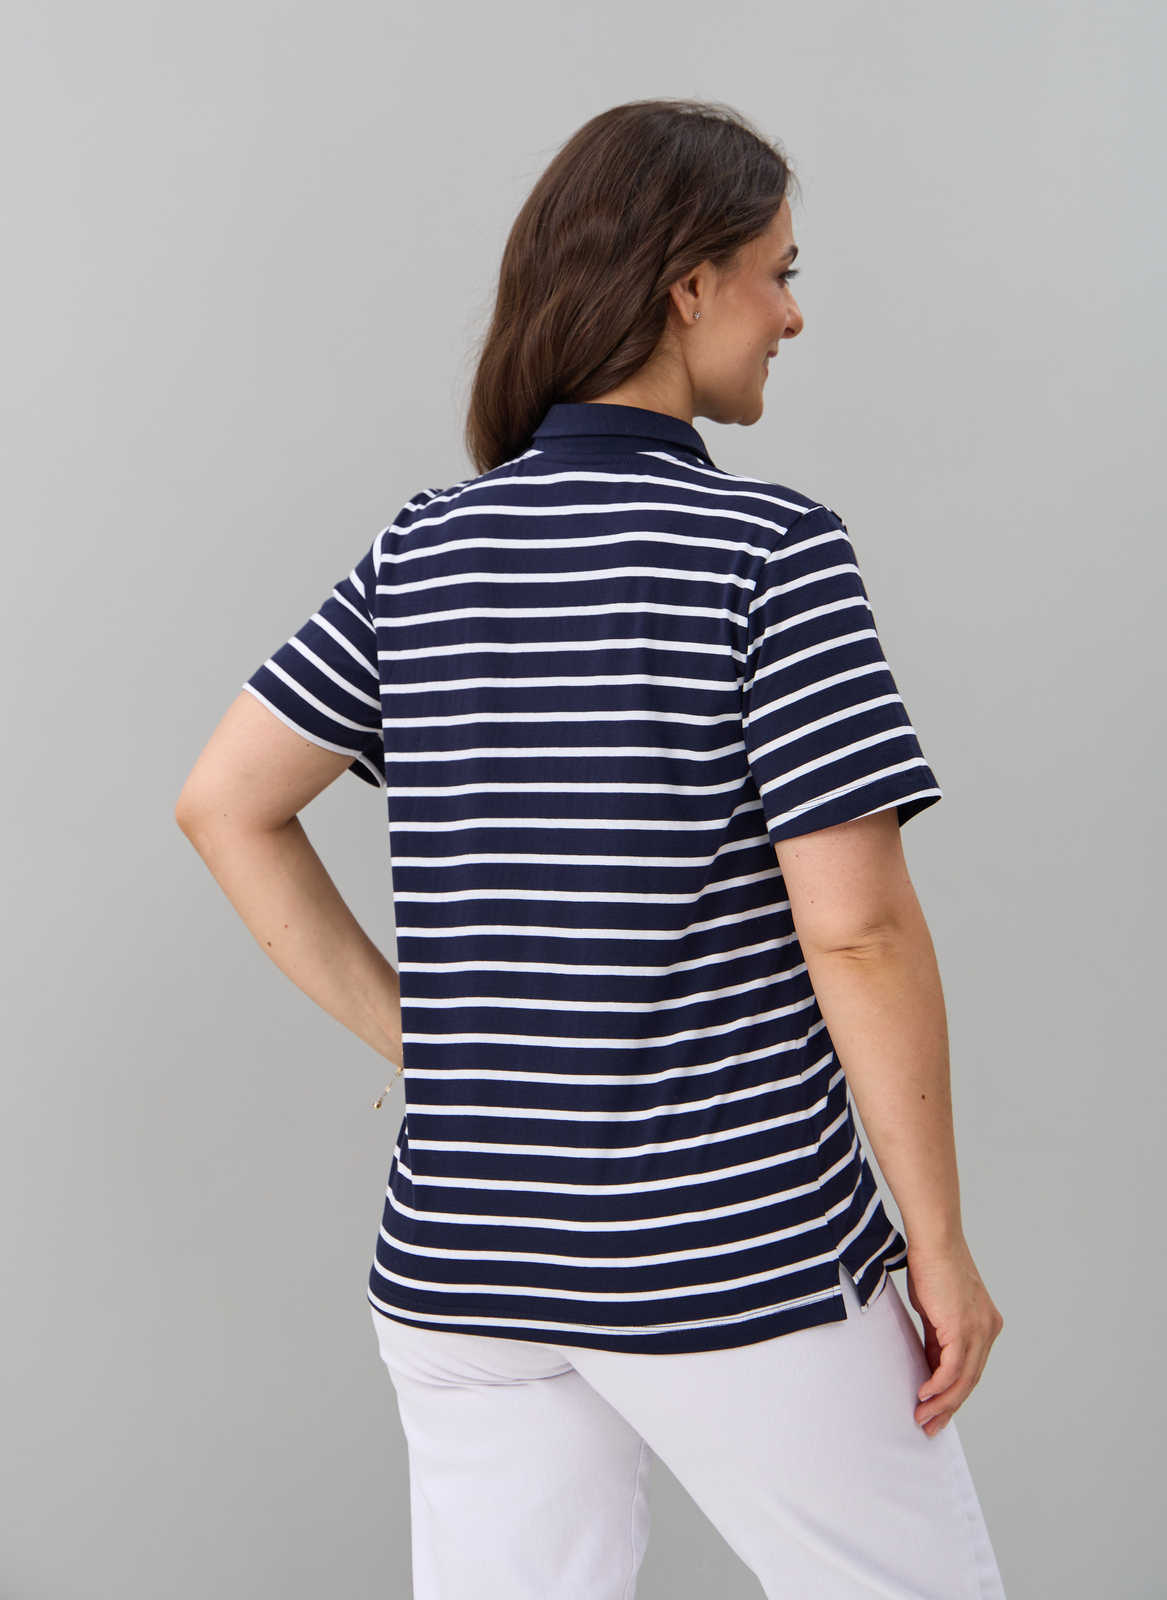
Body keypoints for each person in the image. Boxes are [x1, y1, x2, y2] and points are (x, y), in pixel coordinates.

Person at [177, 100, 1005, 1600]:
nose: (793, 317)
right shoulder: (767, 557)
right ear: (687, 286)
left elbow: (224, 801)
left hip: (465, 1259)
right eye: (777, 273)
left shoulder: (422, 552)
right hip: (729, 1243)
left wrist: (433, 1045)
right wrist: (935, 1243)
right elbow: (859, 929)